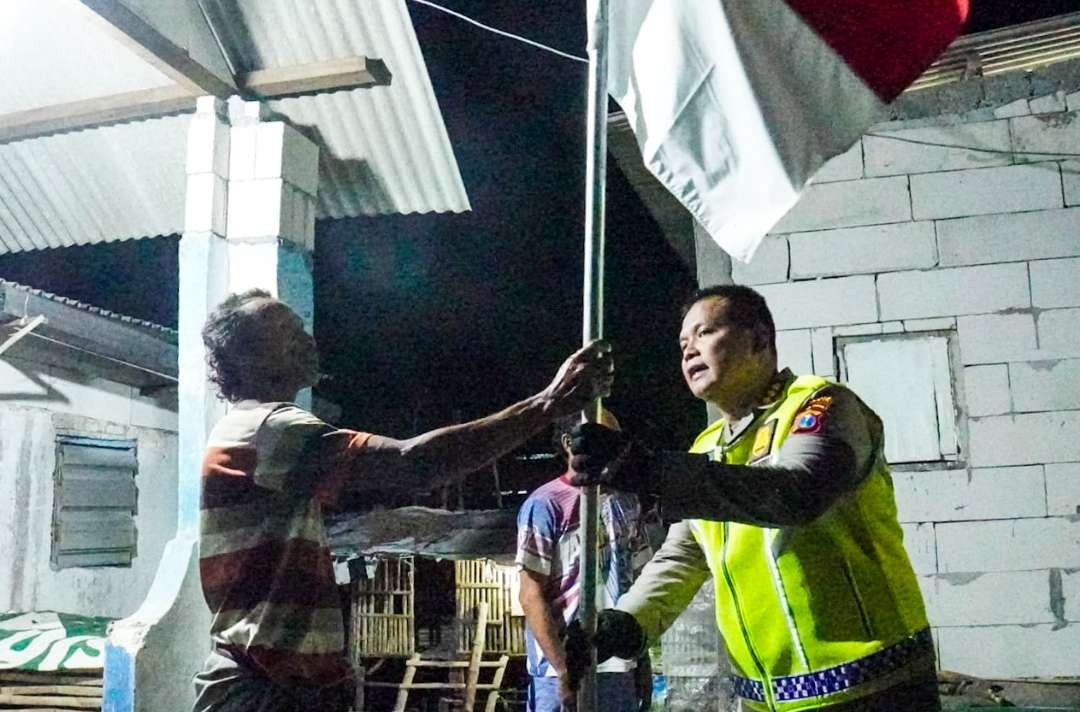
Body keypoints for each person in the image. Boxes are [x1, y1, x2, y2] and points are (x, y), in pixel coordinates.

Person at [192, 289, 614, 712]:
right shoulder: (268, 430)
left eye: (300, 325)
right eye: (284, 329)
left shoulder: (249, 433)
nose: (306, 337)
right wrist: (548, 403)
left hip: (277, 686)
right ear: (249, 357)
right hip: (264, 691)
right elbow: (415, 464)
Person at [566, 285, 937, 712]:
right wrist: (626, 622)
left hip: (872, 686)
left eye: (704, 333)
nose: (689, 351)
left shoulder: (820, 406)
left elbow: (798, 492)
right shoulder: (706, 448)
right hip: (768, 700)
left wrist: (648, 470)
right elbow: (684, 556)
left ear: (759, 339)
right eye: (683, 343)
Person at [516, 411, 654, 712]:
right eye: (599, 436)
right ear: (569, 443)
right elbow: (530, 594)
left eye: (614, 439)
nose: (610, 446)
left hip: (618, 668)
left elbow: (640, 586)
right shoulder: (545, 505)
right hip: (558, 674)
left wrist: (642, 660)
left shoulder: (626, 504)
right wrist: (564, 669)